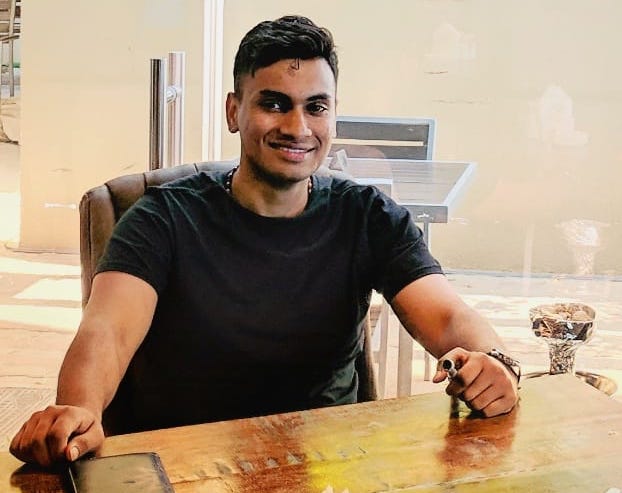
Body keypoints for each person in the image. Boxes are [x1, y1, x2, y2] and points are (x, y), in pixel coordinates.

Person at [10, 15, 520, 467]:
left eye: (315, 107)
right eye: (274, 104)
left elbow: (447, 317)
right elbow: (107, 332)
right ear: (234, 112)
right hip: (185, 465)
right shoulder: (162, 217)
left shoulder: (368, 216)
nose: (298, 127)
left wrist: (495, 362)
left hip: (325, 466)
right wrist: (78, 410)